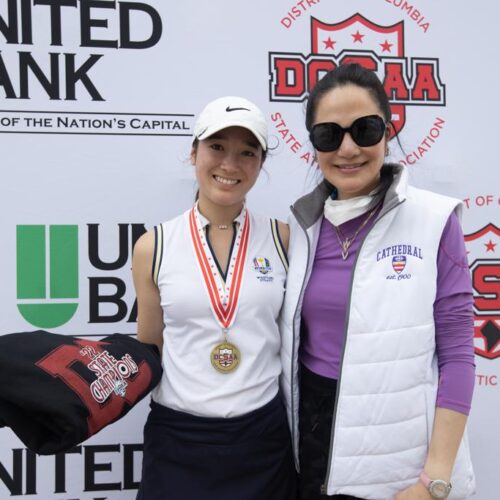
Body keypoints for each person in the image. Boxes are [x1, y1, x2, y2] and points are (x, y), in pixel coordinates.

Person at [280, 63, 476, 500]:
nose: (347, 148)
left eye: (364, 129)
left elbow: (459, 356)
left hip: (398, 461)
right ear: (313, 145)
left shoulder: (434, 220)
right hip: (309, 444)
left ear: (388, 131)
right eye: (329, 135)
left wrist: (434, 481)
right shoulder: (301, 230)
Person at [132, 96, 296, 500]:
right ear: (194, 153)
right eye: (217, 147)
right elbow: (150, 344)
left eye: (247, 152)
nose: (230, 164)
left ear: (260, 165)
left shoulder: (284, 239)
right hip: (179, 440)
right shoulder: (154, 246)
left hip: (262, 441)